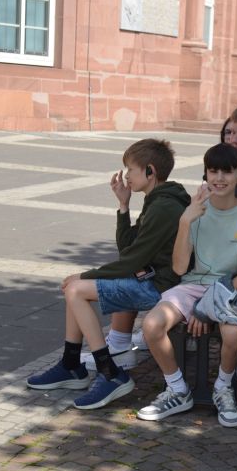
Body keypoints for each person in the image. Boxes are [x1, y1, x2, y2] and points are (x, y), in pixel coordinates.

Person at [26, 139, 190, 410]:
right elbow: (129, 248)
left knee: (76, 289)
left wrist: (86, 275)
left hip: (160, 287)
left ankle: (109, 373)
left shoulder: (164, 207)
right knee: (75, 289)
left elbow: (131, 259)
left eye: (131, 169)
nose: (126, 176)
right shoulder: (158, 200)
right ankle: (71, 365)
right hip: (151, 279)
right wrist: (123, 206)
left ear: (150, 171)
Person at [136, 143, 237, 428]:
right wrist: (185, 221)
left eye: (227, 172)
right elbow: (181, 268)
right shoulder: (195, 211)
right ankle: (177, 389)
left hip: (230, 290)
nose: (219, 178)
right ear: (205, 175)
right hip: (192, 286)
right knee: (151, 325)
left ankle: (223, 388)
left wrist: (206, 307)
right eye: (213, 171)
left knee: (233, 334)